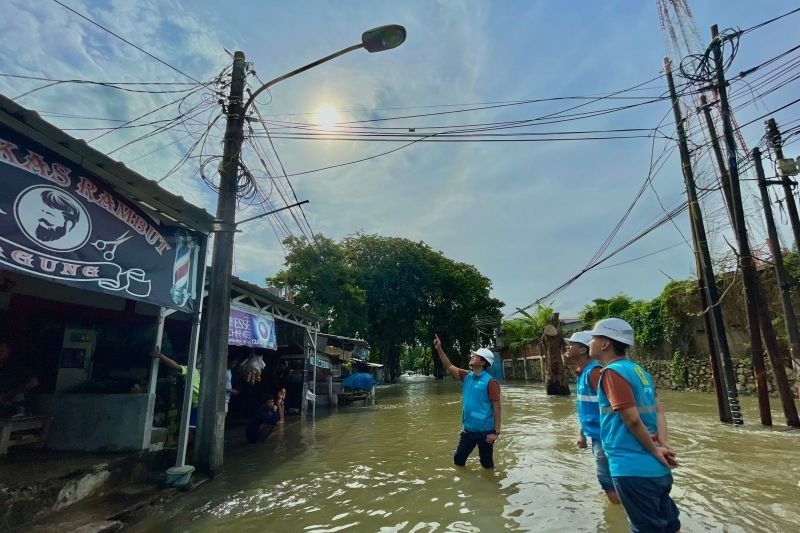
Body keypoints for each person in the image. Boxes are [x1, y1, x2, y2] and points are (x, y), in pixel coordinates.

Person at [587, 317, 680, 532]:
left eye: (593, 337)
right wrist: (661, 444)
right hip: (657, 469)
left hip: (632, 468)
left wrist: (654, 450)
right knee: (670, 526)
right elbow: (658, 410)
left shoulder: (612, 373)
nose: (590, 342)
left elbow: (631, 419)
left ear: (605, 343)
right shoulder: (639, 371)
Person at [433, 334, 501, 469]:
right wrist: (439, 348)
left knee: (486, 464)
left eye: (475, 356)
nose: (472, 356)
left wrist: (496, 433)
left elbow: (497, 408)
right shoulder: (467, 376)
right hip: (468, 430)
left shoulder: (491, 382)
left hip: (485, 432)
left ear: (482, 362)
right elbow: (449, 365)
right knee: (458, 460)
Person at [152, 347, 200, 428]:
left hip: (196, 405)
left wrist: (160, 356)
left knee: (190, 428)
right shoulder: (198, 373)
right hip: (194, 404)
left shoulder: (192, 370)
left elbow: (174, 366)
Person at [0, 341, 39, 417]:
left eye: (2, 350)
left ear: (8, 352)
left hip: (15, 409)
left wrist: (16, 391)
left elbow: (34, 383)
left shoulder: (14, 368)